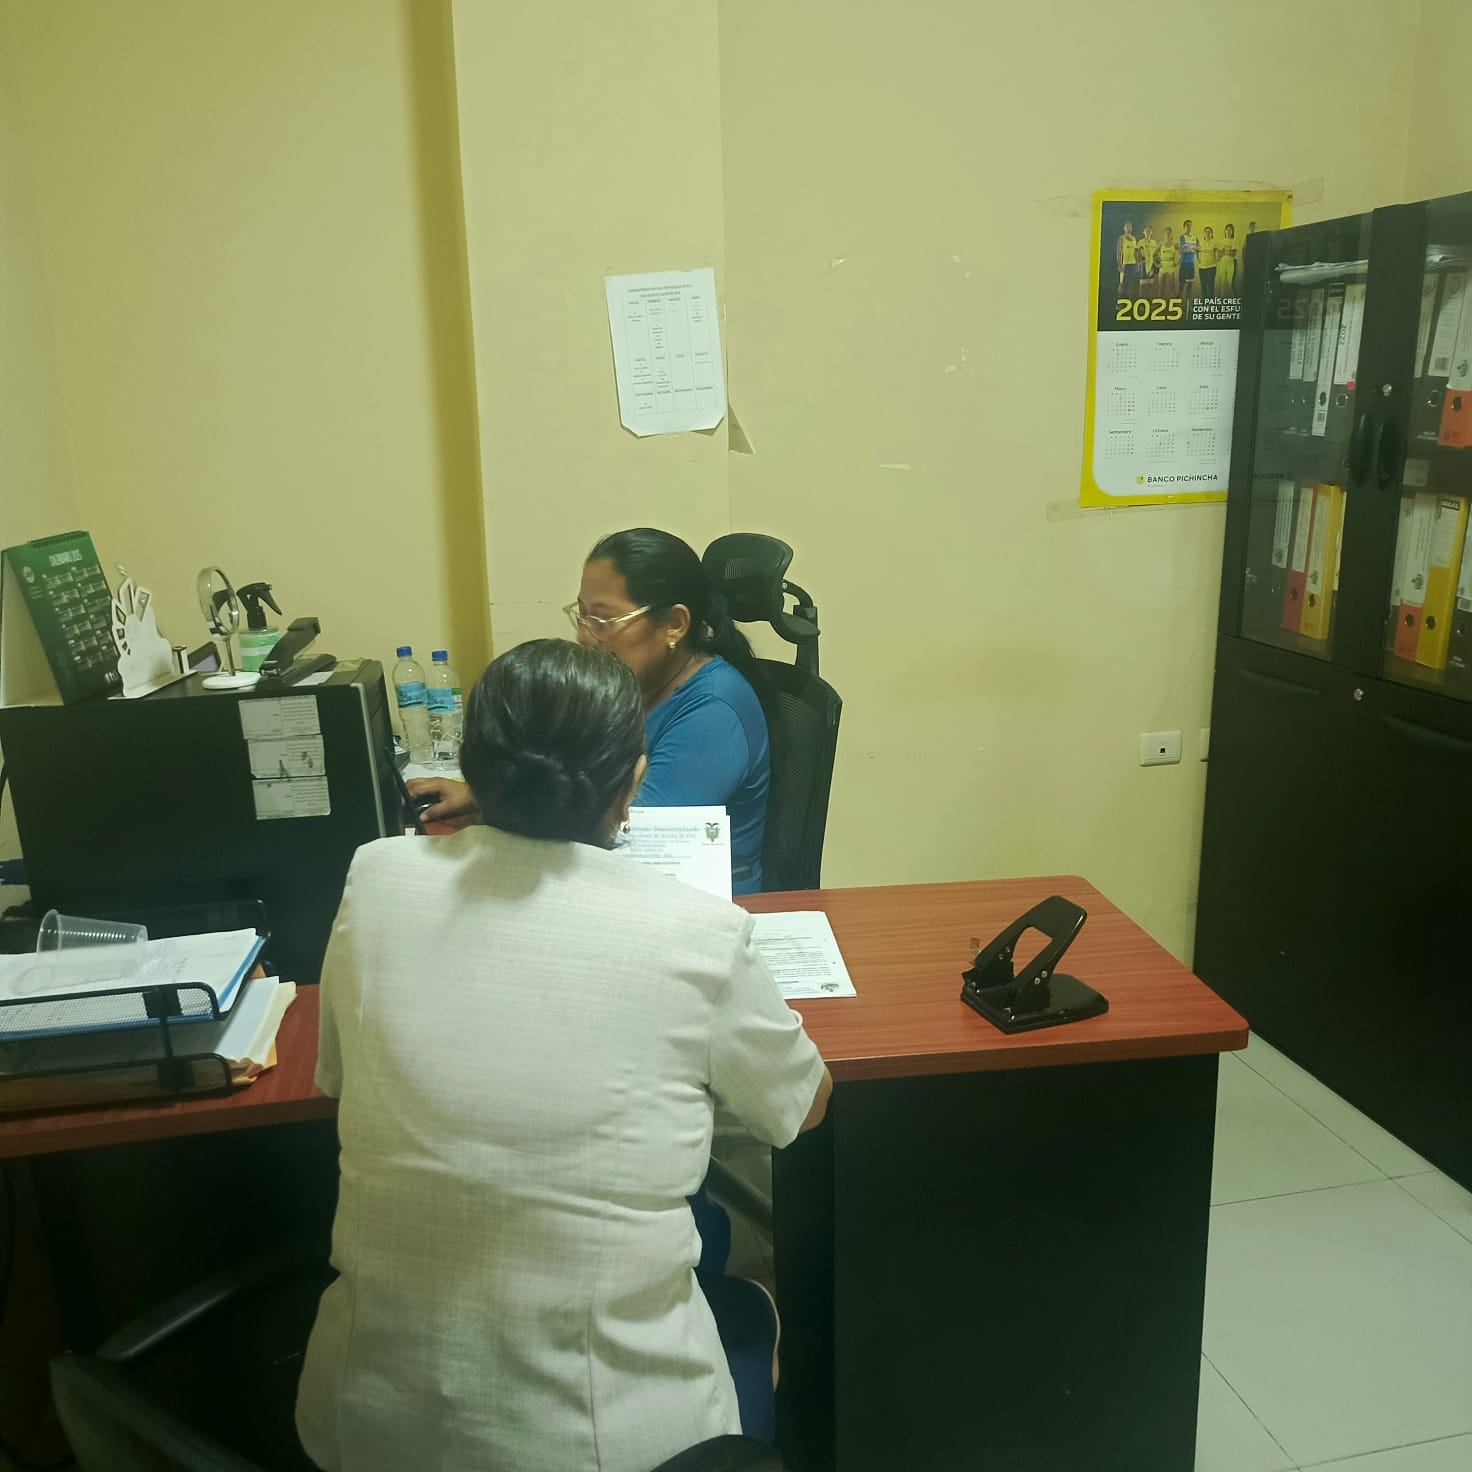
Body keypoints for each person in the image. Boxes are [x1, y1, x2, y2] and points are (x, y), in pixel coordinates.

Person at [296, 639, 832, 1472]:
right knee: (748, 1304)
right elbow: (802, 1106)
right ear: (632, 782)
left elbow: (337, 1077)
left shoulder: (376, 879)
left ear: (472, 767)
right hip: (609, 1446)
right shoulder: (699, 933)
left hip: (369, 1427)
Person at [411, 528, 772, 894]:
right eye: (581, 615)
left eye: (603, 620)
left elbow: (625, 832)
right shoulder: (633, 683)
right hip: (621, 881)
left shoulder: (714, 710)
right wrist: (485, 794)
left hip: (705, 899)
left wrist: (499, 807)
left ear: (674, 625)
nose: (584, 635)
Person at [1117, 219, 1141, 298]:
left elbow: (1135, 252)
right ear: (1124, 228)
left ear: (1132, 228)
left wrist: (1137, 263)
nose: (1128, 228)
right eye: (1127, 226)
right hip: (1125, 264)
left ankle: (1130, 300)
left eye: (1130, 226)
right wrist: (1119, 265)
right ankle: (1121, 300)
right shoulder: (1121, 238)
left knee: (1132, 283)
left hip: (1132, 264)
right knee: (1123, 284)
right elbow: (1119, 252)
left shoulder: (1134, 239)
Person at [1179, 219, 1200, 302]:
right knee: (1182, 285)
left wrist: (1191, 248)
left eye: (1190, 225)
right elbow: (1186, 250)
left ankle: (1188, 305)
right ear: (1184, 227)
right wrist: (1194, 248)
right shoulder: (1182, 237)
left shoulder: (1195, 238)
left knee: (1190, 286)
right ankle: (1177, 302)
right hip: (1184, 264)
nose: (1189, 227)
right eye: (1187, 225)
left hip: (1191, 264)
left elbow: (1199, 248)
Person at [1158, 227, 1180, 300]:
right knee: (1161, 287)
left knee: (1172, 287)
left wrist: (1177, 263)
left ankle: (1176, 302)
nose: (1167, 234)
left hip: (1171, 266)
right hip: (1163, 266)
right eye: (1166, 232)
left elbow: (1183, 254)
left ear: (1171, 234)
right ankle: (1159, 303)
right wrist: (1157, 264)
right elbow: (1153, 254)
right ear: (1164, 234)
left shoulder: (1175, 244)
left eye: (1169, 232)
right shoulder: (1161, 244)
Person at [1217, 222, 1239, 297]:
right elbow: (1219, 255)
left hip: (1231, 263)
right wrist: (1228, 251)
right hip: (1223, 263)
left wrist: (1224, 251)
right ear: (1225, 230)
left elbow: (1233, 253)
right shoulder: (1221, 241)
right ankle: (1223, 301)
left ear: (1232, 231)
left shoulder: (1234, 241)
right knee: (1222, 283)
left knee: (1231, 284)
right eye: (1227, 229)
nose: (1229, 231)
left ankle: (1234, 301)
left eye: (1230, 230)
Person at [1198, 226, 1219, 298]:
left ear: (1212, 234)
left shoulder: (1214, 242)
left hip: (1211, 267)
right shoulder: (1200, 243)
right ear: (1204, 234)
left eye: (1209, 232)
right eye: (1206, 232)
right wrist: (1198, 259)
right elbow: (1197, 251)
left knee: (1210, 285)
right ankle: (1205, 302)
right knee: (1203, 286)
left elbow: (1217, 252)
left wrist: (1216, 259)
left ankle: (1211, 302)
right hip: (1202, 267)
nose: (1207, 233)